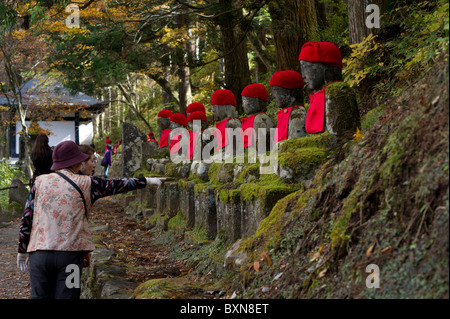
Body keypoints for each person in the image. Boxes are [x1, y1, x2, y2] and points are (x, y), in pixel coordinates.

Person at [16, 140, 164, 299]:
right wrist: (147, 181)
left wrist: (22, 249)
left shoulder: (39, 182)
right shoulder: (88, 184)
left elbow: (27, 217)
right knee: (69, 295)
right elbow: (117, 184)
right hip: (71, 256)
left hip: (39, 255)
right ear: (77, 162)